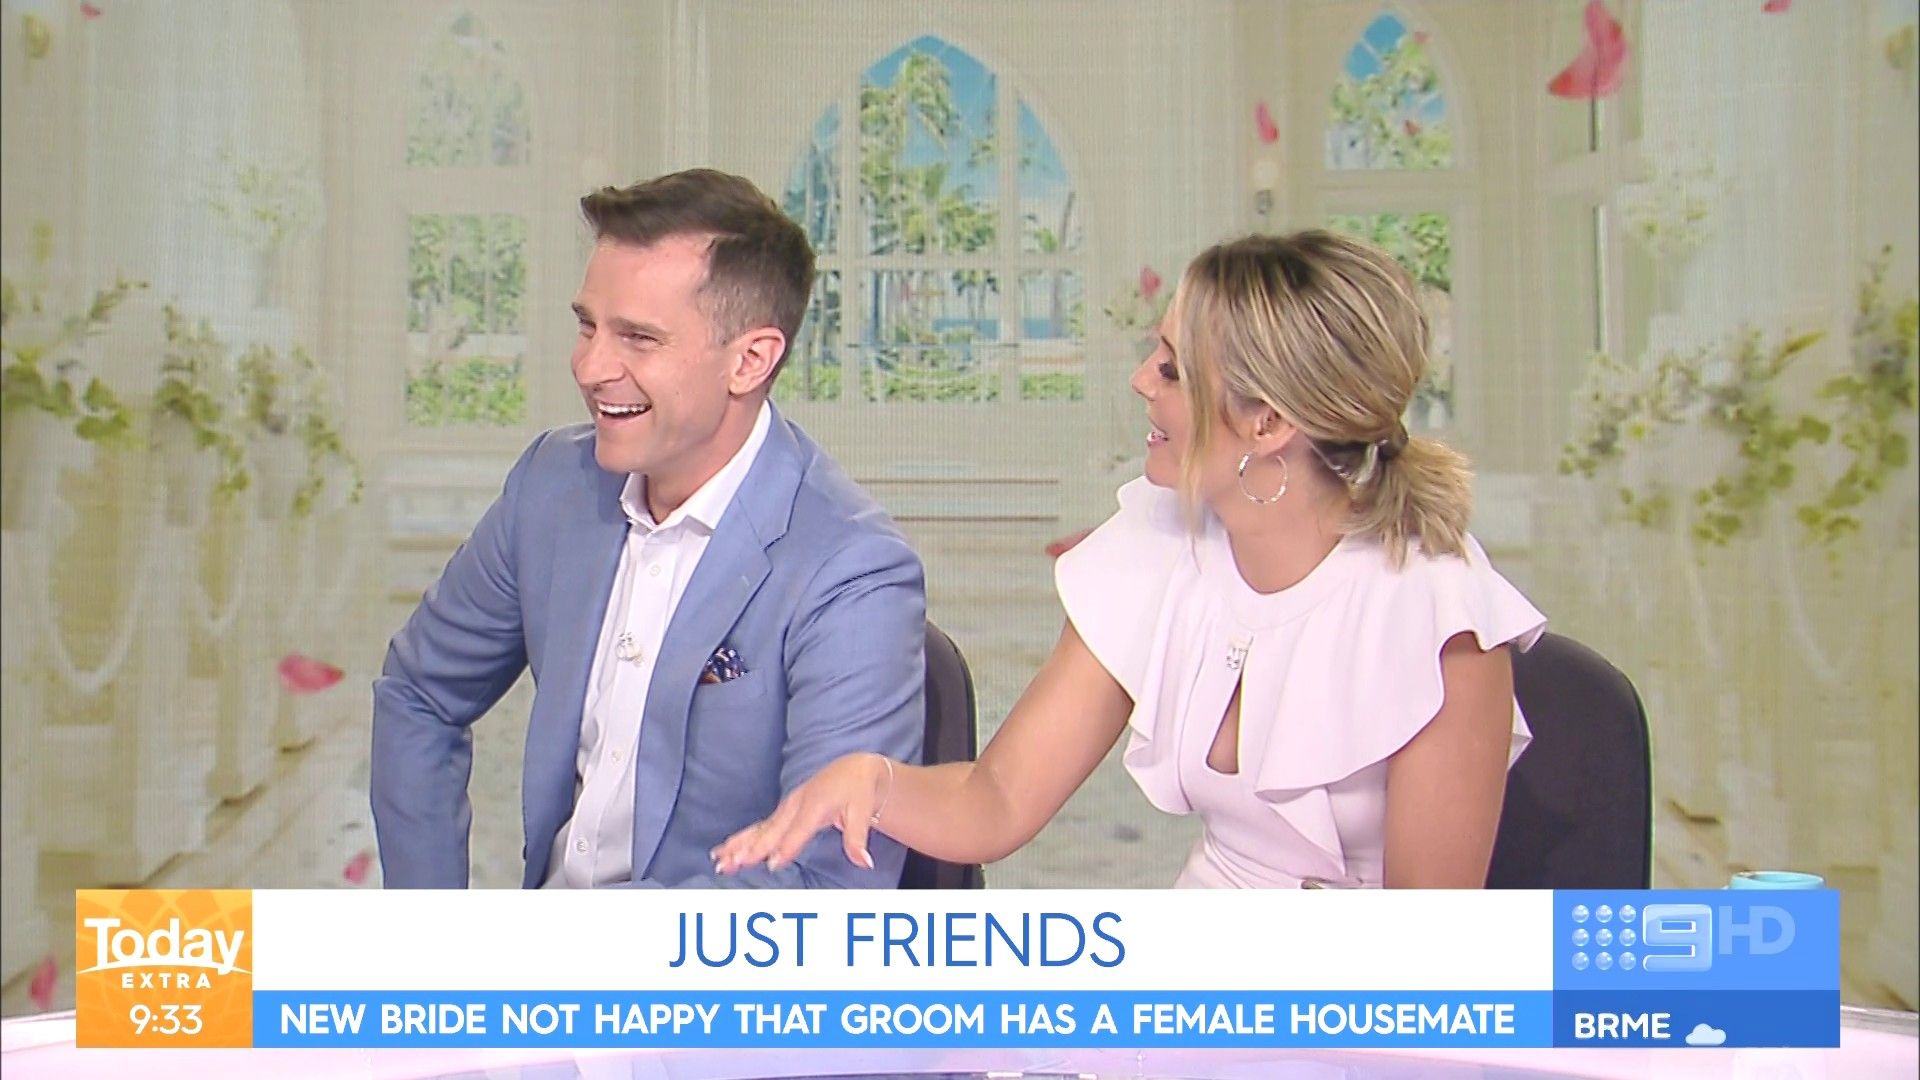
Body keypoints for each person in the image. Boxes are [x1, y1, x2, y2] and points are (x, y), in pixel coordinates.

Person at [714, 230, 1545, 889]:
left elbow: (1428, 953)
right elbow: (996, 800)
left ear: (1269, 424)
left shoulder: (1436, 615)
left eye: (1173, 370)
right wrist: (873, 782)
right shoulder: (1159, 543)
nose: (1143, 381)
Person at [372, 169, 927, 889]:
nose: (589, 367)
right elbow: (419, 693)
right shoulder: (552, 486)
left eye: (638, 338)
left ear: (750, 360)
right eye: (588, 326)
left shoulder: (853, 570)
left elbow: (827, 890)